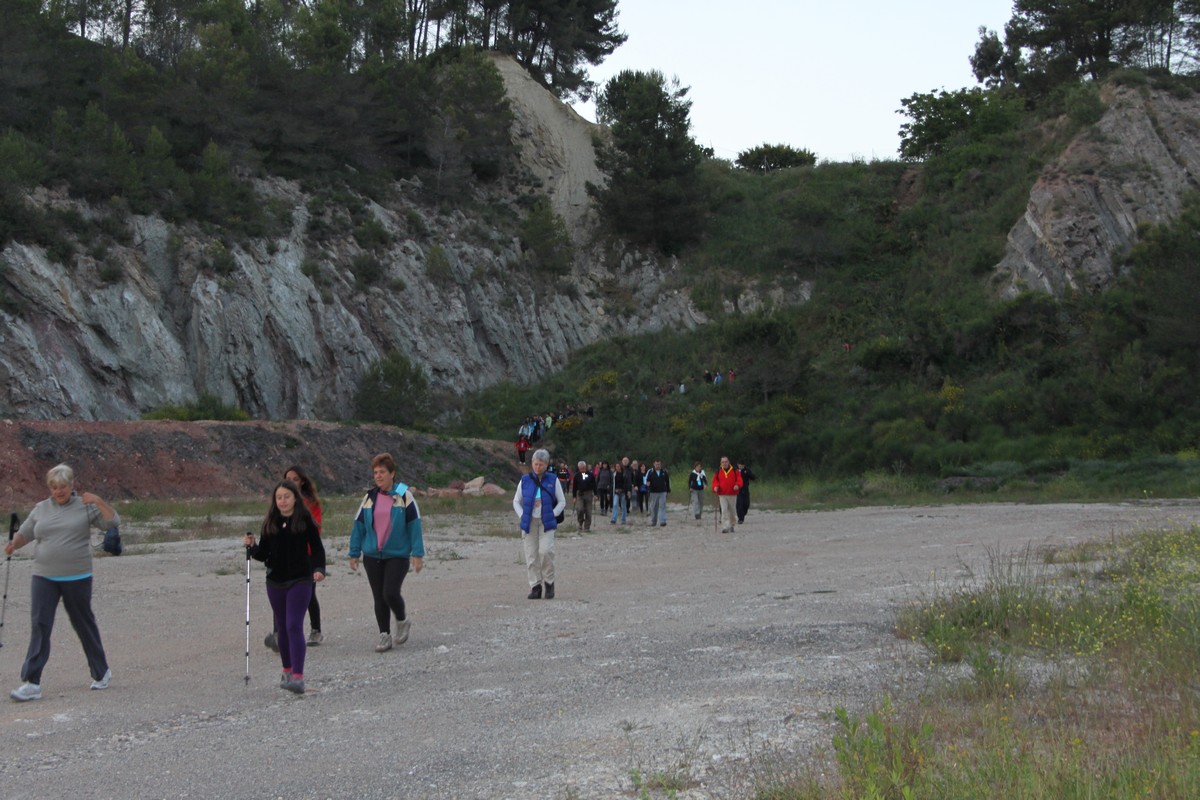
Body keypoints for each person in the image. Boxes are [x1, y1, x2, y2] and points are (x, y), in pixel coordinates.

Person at [7, 464, 118, 702]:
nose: (59, 491)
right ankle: (31, 682)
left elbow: (112, 521)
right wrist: (13, 545)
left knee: (83, 624)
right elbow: (25, 533)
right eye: (54, 487)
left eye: (63, 486)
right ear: (50, 488)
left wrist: (98, 501)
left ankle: (101, 672)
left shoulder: (85, 506)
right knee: (40, 624)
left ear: (71, 485)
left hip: (77, 576)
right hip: (44, 576)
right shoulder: (41, 508)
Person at [243, 480, 326, 694]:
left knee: (293, 625)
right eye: (279, 497)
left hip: (301, 579)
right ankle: (287, 670)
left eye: (286, 496)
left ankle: (298, 677)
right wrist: (252, 547)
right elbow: (264, 554)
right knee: (281, 627)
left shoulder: (305, 520)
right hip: (275, 581)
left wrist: (319, 568)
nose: (282, 501)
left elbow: (317, 549)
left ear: (295, 498)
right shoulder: (270, 522)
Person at [348, 453, 425, 652]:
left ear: (392, 473)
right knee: (379, 597)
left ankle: (402, 620)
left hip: (397, 555)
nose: (378, 476)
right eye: (375, 472)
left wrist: (417, 554)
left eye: (382, 472)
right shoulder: (369, 497)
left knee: (390, 592)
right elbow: (358, 525)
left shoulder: (404, 495)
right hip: (372, 555)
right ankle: (384, 635)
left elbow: (414, 525)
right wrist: (354, 553)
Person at [260, 466, 325, 649]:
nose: (291, 482)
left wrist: (316, 562)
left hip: (306, 557)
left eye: (295, 479)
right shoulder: (280, 507)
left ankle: (315, 629)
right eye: (288, 478)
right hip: (284, 560)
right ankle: (279, 634)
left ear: (302, 481)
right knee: (280, 595)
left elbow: (315, 532)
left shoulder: (310, 504)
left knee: (308, 595)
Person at [512, 449, 566, 599]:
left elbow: (562, 501)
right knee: (531, 555)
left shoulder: (553, 480)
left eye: (541, 464)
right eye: (536, 464)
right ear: (532, 463)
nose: (538, 467)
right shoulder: (525, 480)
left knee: (546, 551)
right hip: (529, 522)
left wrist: (553, 514)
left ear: (546, 465)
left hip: (546, 522)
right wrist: (522, 515)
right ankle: (535, 586)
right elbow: (516, 501)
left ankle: (549, 583)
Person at [711, 456, 743, 534]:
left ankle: (732, 525)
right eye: (723, 462)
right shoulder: (718, 471)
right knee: (724, 510)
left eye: (726, 462)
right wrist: (715, 487)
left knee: (732, 511)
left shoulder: (735, 470)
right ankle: (725, 527)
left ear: (729, 462)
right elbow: (715, 481)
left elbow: (739, 480)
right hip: (722, 494)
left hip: (732, 494)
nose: (724, 463)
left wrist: (737, 485)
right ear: (721, 463)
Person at [644, 458, 670, 527]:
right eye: (656, 464)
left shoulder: (664, 472)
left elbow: (667, 482)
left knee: (662, 506)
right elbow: (647, 480)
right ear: (654, 464)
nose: (658, 466)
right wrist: (647, 485)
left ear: (661, 464)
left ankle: (662, 521)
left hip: (662, 491)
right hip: (653, 492)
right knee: (654, 507)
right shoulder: (650, 472)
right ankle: (654, 521)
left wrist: (668, 491)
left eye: (659, 464)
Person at [571, 460, 596, 532]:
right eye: (581, 468)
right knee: (580, 509)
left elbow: (594, 485)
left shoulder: (590, 475)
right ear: (579, 468)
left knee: (588, 511)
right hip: (580, 494)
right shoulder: (577, 475)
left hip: (588, 493)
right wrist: (574, 497)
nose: (582, 470)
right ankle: (580, 522)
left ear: (585, 467)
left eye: (583, 468)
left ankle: (587, 527)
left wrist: (596, 494)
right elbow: (574, 487)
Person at [609, 461, 630, 525]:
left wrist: (628, 491)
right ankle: (614, 518)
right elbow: (611, 484)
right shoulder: (614, 474)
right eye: (616, 466)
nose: (617, 467)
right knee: (615, 504)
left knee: (623, 506)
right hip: (616, 491)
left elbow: (627, 483)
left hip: (623, 491)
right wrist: (609, 492)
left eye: (618, 466)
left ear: (621, 467)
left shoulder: (624, 474)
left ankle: (623, 519)